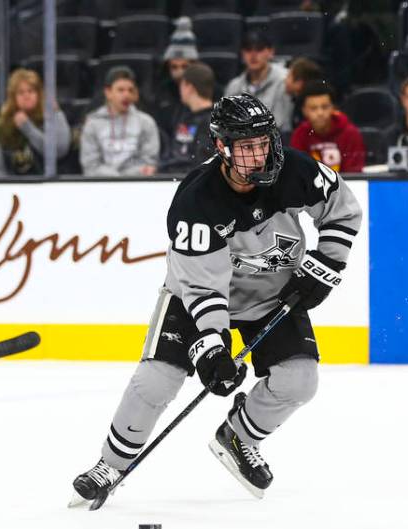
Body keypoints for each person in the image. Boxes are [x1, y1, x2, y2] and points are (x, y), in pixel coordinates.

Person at [71, 94, 363, 506]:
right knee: (157, 380)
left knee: (299, 381)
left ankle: (239, 436)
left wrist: (326, 264)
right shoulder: (197, 201)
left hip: (271, 295)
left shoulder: (295, 170)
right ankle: (111, 464)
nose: (259, 155)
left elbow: (342, 209)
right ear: (222, 147)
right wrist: (211, 348)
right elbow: (203, 288)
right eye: (246, 147)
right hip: (198, 298)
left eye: (263, 142)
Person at [80, 66, 160, 177]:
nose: (126, 95)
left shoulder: (146, 122)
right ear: (108, 92)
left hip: (137, 185)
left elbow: (149, 164)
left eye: (130, 90)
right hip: (101, 185)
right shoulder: (92, 124)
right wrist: (116, 179)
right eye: (121, 90)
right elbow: (90, 166)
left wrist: (124, 179)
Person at [0, 69, 71, 176]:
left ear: (39, 94)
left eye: (31, 91)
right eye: (21, 92)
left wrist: (28, 128)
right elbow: (0, 167)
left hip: (49, 185)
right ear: (13, 97)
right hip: (16, 188)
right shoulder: (6, 122)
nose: (26, 96)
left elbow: (59, 150)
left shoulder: (53, 115)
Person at [290, 80, 365, 172]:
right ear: (304, 111)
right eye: (313, 108)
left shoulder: (350, 133)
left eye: (325, 107)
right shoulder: (300, 135)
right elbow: (298, 172)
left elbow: (354, 173)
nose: (320, 113)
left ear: (333, 108)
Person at [225, 31, 291, 133]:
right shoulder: (234, 87)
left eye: (259, 49)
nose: (253, 55)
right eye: (248, 50)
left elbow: (283, 123)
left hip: (279, 142)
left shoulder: (285, 80)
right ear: (242, 54)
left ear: (271, 52)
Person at [158, 62, 216, 175]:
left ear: (189, 87)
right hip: (172, 176)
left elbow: (202, 162)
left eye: (181, 84)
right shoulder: (185, 117)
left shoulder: (213, 121)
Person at [155, 16, 200, 138]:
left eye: (184, 66)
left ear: (195, 65)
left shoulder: (209, 90)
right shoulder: (162, 92)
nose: (179, 73)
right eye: (174, 67)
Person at [283, 57, 325, 141]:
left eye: (288, 76)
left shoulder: (307, 108)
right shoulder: (297, 102)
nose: (285, 80)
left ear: (299, 83)